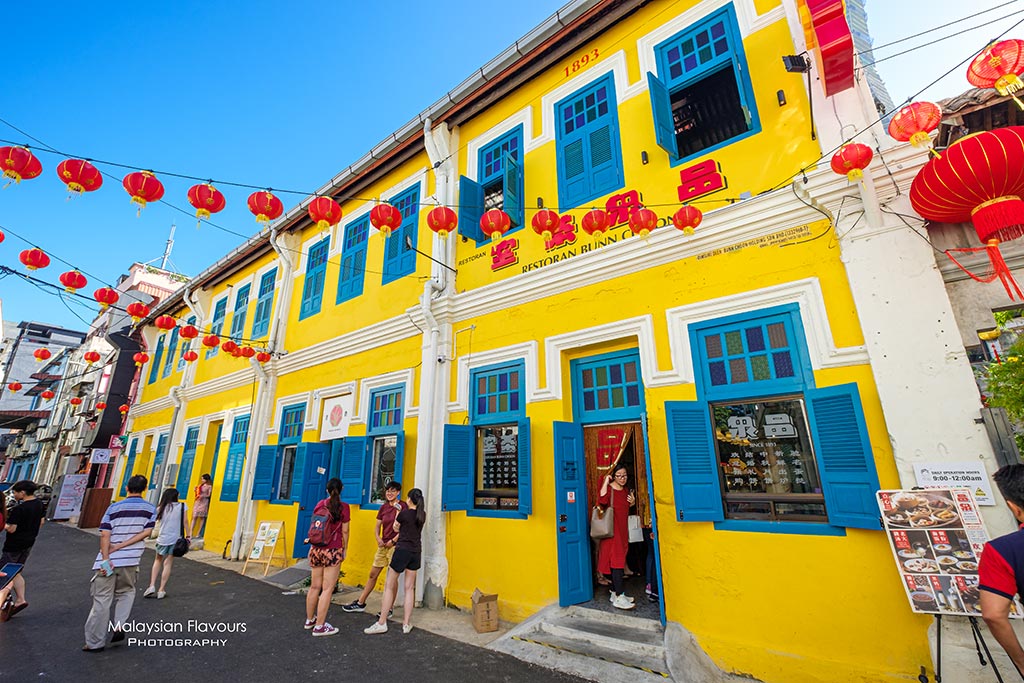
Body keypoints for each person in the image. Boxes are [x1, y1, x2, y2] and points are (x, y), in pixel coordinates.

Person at [82, 474, 157, 652]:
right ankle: (119, 626)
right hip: (131, 560)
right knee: (127, 592)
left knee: (102, 600)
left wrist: (107, 558)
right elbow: (146, 532)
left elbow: (105, 534)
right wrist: (124, 546)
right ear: (144, 489)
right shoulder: (150, 509)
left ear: (127, 488)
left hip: (109, 560)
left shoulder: (113, 508)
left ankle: (95, 642)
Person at [364, 488, 425, 635]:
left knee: (389, 586)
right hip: (416, 552)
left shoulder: (404, 513)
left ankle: (382, 622)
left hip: (402, 550)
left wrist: (398, 513)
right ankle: (406, 623)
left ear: (409, 499)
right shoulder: (422, 515)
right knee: (409, 588)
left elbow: (395, 528)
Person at [342, 480, 406, 614]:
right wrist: (378, 538)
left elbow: (405, 528)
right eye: (388, 491)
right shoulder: (383, 508)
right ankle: (361, 602)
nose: (389, 493)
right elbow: (377, 526)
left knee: (391, 578)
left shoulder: (402, 506)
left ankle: (389, 608)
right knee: (373, 574)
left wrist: (393, 541)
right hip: (383, 545)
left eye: (393, 491)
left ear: (398, 492)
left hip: (396, 545)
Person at [304, 478, 350, 637]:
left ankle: (310, 620)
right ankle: (320, 626)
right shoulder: (344, 507)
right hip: (332, 550)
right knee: (327, 588)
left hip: (316, 548)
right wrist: (344, 549)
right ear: (342, 489)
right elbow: (345, 531)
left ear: (327, 490)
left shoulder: (319, 504)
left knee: (314, 586)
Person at [0, 480, 47, 621]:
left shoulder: (19, 509)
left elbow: (12, 528)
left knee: (5, 573)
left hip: (14, 544)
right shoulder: (39, 504)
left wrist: (5, 526)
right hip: (29, 541)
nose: (14, 495)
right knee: (16, 571)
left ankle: (3, 602)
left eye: (15, 492)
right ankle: (21, 599)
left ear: (23, 492)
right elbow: (41, 522)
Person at [597, 466, 635, 610]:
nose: (622, 478)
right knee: (617, 563)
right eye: (619, 476)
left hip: (622, 530)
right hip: (613, 532)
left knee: (618, 561)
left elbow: (626, 507)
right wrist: (606, 482)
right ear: (614, 476)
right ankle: (619, 596)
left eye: (624, 475)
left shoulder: (625, 490)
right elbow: (601, 500)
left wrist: (632, 502)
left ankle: (614, 592)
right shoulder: (611, 489)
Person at [144, 488, 189, 599]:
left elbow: (153, 521)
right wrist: (188, 536)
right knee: (168, 563)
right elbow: (186, 522)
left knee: (157, 560)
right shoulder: (182, 507)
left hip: (162, 538)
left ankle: (151, 585)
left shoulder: (161, 508)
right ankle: (161, 589)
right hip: (175, 539)